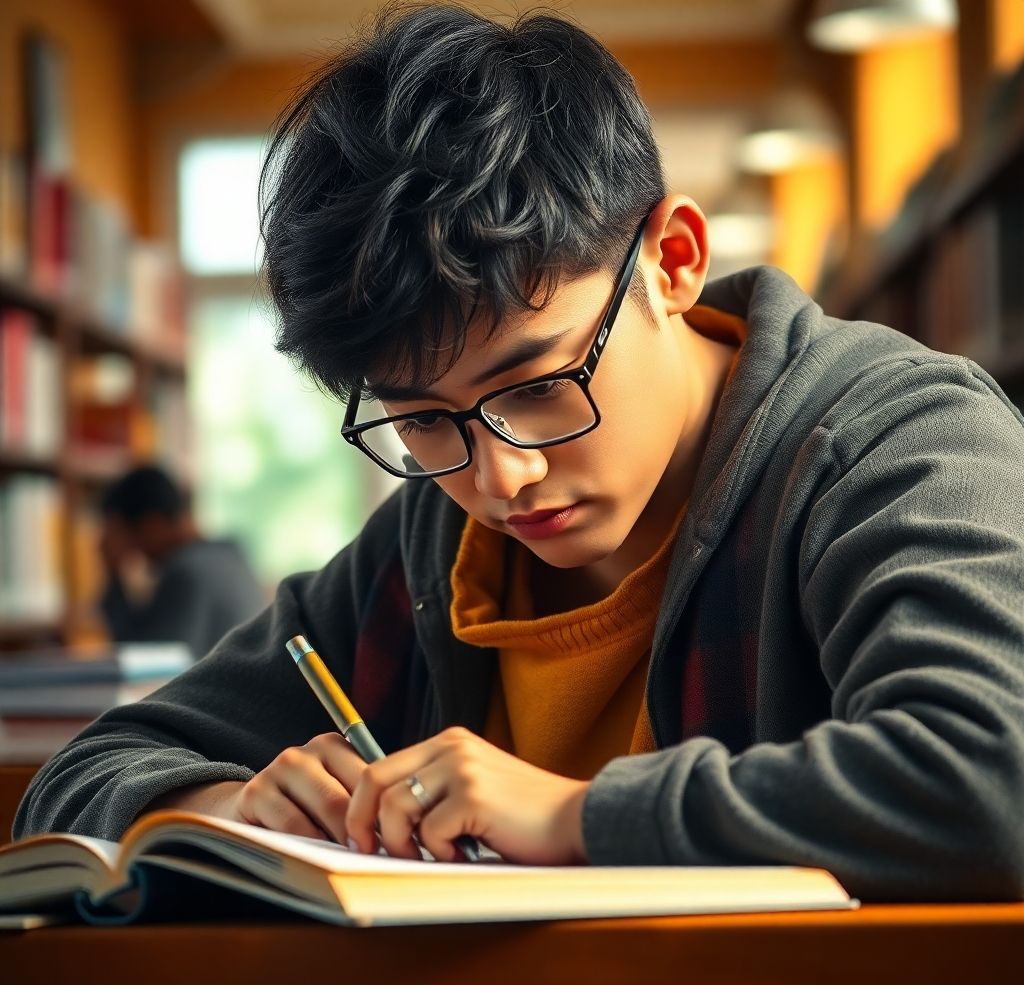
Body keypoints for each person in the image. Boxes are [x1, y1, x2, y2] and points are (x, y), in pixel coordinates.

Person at [15, 5, 1024, 900]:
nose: (500, 480)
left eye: (540, 388)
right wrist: (226, 799)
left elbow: (993, 776)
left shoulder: (895, 442)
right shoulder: (430, 540)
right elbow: (84, 774)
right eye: (422, 420)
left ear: (670, 261)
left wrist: (569, 818)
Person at [98, 465, 264, 659]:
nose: (137, 552)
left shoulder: (187, 572)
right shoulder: (230, 558)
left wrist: (114, 575)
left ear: (153, 524)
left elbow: (148, 664)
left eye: (127, 536)